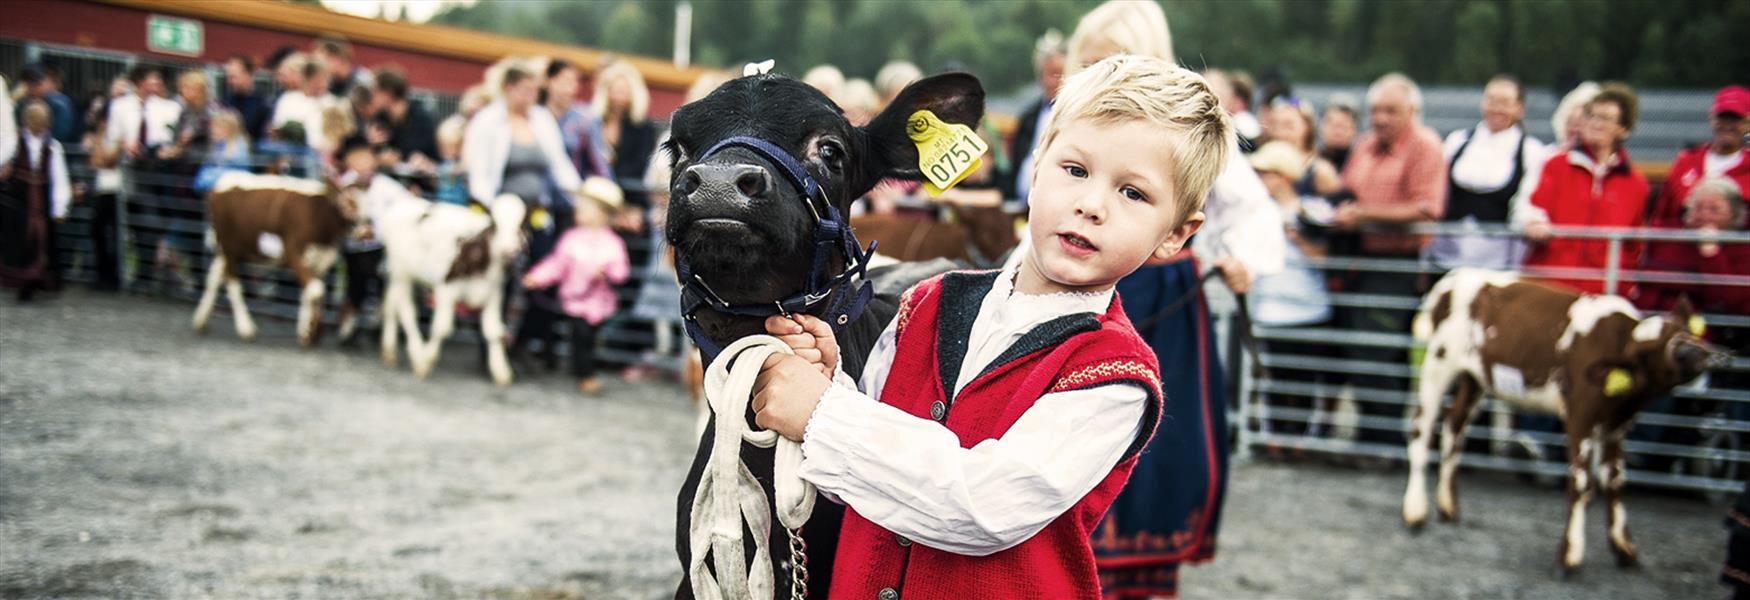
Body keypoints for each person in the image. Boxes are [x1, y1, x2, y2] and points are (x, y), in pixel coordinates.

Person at [747, 54, 1226, 598]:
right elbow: (855, 479)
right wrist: (831, 381)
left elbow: (984, 506)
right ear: (1038, 166)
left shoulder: (1113, 376)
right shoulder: (924, 304)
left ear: (1176, 234)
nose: (1091, 205)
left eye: (1133, 193)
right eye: (1075, 170)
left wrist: (823, 415)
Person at [1330, 72, 1447, 449]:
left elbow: (1427, 208)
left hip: (1397, 262)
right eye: (1375, 110)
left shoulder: (1425, 146)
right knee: (1366, 348)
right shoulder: (1365, 144)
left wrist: (1365, 214)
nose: (1380, 118)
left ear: (1412, 110)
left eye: (1390, 111)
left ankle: (1383, 442)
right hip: (1361, 258)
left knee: (1376, 349)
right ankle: (1375, 436)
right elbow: (1346, 190)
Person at [466, 63, 585, 370]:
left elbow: (559, 164)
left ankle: (520, 343)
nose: (533, 95)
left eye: (536, 89)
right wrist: (491, 210)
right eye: (527, 89)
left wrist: (581, 196)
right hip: (500, 212)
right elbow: (480, 172)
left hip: (536, 212)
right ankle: (488, 349)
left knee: (543, 275)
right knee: (497, 280)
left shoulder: (541, 119)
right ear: (509, 88)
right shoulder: (488, 121)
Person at [1248, 140, 1336, 443]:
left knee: (1305, 378)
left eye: (1266, 174)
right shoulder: (1255, 212)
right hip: (1271, 309)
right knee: (1275, 378)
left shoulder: (1313, 210)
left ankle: (1300, 440)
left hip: (1309, 307)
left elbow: (1326, 257)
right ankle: (1275, 438)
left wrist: (1298, 236)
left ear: (1283, 176)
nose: (1259, 180)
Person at [1522, 84, 1648, 296]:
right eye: (1591, 116)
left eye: (1606, 118)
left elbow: (1633, 247)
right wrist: (1532, 221)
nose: (1595, 124)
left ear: (1623, 129)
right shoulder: (1555, 165)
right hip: (1550, 289)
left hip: (1601, 293)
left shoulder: (1636, 184)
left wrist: (1624, 288)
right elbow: (1531, 208)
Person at [1428, 75, 1548, 273]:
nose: (1496, 108)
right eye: (1491, 100)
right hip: (1447, 257)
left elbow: (1527, 202)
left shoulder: (1531, 151)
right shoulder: (1457, 141)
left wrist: (1531, 221)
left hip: (1496, 263)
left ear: (1520, 108)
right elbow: (1438, 192)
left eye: (1505, 103)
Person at [522, 176, 630, 394]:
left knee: (584, 338)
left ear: (600, 213)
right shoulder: (571, 238)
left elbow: (621, 272)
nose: (577, 209)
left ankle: (585, 372)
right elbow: (556, 264)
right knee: (578, 336)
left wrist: (608, 272)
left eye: (584, 206)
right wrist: (537, 277)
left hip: (597, 305)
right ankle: (581, 371)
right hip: (573, 302)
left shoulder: (613, 243)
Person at [1650, 86, 1750, 229]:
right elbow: (1662, 217)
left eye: (1735, 119)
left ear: (1748, 123)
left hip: (1736, 250)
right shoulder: (1686, 162)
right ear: (1712, 117)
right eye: (1722, 117)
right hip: (1684, 248)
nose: (1728, 125)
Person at [0, 102, 72, 301]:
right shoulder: (14, 142)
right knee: (19, 243)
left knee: (41, 241)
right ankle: (22, 281)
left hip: (42, 202)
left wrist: (60, 207)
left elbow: (60, 178)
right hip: (19, 204)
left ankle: (37, 279)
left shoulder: (52, 147)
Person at [1002, 29, 1068, 207]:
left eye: (1061, 73)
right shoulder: (1028, 117)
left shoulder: (1078, 118)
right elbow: (1015, 163)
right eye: (1050, 74)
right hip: (1021, 205)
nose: (1056, 80)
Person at [591, 59, 659, 229]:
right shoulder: (593, 123)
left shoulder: (643, 128)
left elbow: (641, 165)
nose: (618, 97)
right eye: (614, 90)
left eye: (624, 91)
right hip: (595, 199)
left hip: (630, 201)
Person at [543, 58, 609, 179]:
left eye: (574, 83)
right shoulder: (534, 115)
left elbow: (599, 164)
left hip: (573, 187)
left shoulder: (585, 119)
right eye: (564, 82)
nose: (570, 89)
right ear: (548, 81)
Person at [368, 67, 439, 174]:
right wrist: (372, 144)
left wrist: (397, 157)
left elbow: (428, 153)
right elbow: (374, 153)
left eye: (376, 91)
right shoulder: (379, 117)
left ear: (389, 93)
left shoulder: (421, 117)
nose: (372, 96)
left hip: (420, 177)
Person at [271, 57, 343, 154]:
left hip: (321, 154)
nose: (320, 83)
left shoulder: (334, 104)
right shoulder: (288, 99)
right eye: (315, 79)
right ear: (305, 78)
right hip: (289, 151)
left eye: (324, 78)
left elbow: (336, 139)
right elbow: (277, 129)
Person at [17, 64, 79, 144]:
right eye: (29, 83)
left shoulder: (59, 104)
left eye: (36, 83)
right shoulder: (22, 104)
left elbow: (60, 135)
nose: (32, 88)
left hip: (55, 150)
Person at [221, 54, 271, 142]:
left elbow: (265, 137)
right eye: (228, 77)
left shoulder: (262, 105)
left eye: (233, 77)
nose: (230, 81)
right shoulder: (225, 102)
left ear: (248, 75)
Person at [1550, 81, 1601, 151]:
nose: (1575, 129)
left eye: (1581, 124)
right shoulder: (1550, 156)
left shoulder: (1615, 160)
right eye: (1571, 123)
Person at [432, 116, 468, 206]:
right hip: (442, 202)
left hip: (459, 205)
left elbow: (460, 170)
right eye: (442, 147)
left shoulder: (462, 164)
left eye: (449, 147)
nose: (445, 151)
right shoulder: (446, 163)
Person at [1318, 95, 1359, 173]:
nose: (1338, 131)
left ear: (1354, 130)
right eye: (1333, 125)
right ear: (1321, 127)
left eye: (1344, 125)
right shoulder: (1310, 164)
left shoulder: (1362, 164)